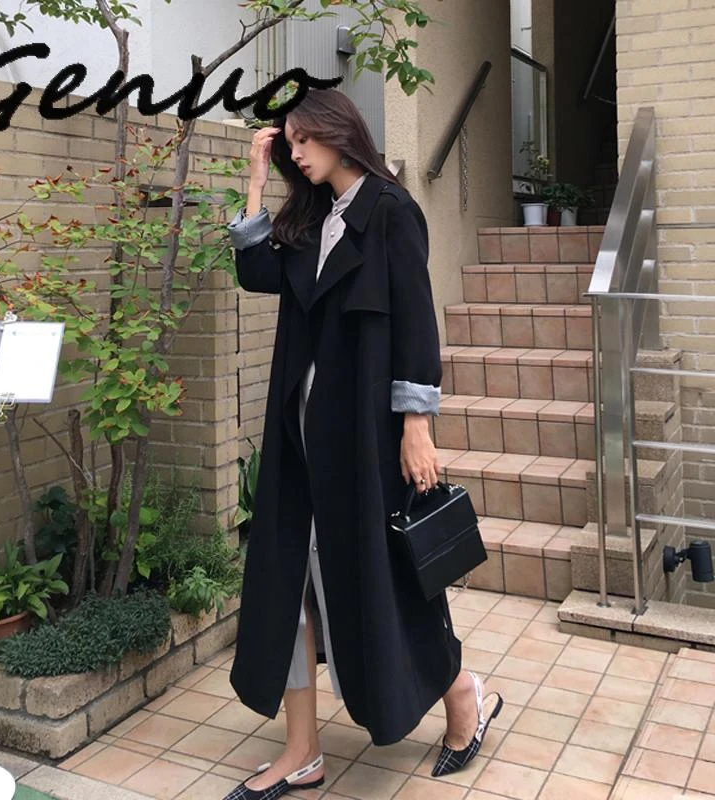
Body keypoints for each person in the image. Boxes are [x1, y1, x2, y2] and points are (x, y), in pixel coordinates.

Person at [223, 88, 503, 800]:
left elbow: (415, 319)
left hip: (366, 441)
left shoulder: (389, 210)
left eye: (303, 140)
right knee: (288, 586)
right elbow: (256, 273)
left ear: (338, 132)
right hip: (298, 440)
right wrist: (255, 181)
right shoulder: (309, 218)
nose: (296, 154)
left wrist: (416, 425)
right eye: (288, 144)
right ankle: (301, 751)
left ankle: (462, 693)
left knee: (388, 583)